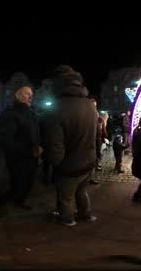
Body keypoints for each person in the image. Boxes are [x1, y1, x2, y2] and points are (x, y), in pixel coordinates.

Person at [43, 65, 98, 226]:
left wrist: (56, 163)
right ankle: (86, 214)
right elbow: (95, 134)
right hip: (89, 161)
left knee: (65, 198)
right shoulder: (89, 104)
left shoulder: (57, 107)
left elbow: (55, 144)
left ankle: (67, 219)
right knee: (82, 192)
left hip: (69, 165)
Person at [0, 86, 41, 210]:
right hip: (18, 159)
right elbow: (5, 139)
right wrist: (28, 150)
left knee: (27, 182)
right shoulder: (10, 113)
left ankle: (18, 200)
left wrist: (38, 146)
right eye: (27, 94)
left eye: (31, 94)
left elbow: (34, 132)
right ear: (17, 95)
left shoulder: (31, 112)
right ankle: (9, 202)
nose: (31, 97)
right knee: (18, 183)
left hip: (31, 157)